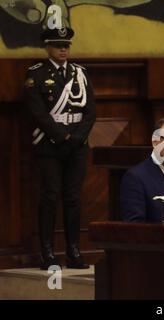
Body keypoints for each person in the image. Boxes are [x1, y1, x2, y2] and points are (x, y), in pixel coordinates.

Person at [24, 26, 96, 270]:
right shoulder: (36, 73)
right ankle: (47, 252)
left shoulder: (80, 73)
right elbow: (37, 113)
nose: (64, 49)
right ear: (47, 47)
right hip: (50, 144)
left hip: (77, 144)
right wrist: (61, 136)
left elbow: (90, 111)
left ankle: (74, 250)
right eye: (58, 45)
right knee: (50, 196)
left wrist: (76, 138)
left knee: (73, 198)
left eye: (66, 45)